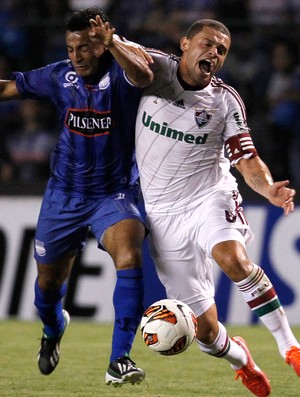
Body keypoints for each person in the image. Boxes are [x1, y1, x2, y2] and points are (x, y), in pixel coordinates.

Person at [134, 19, 300, 397]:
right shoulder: (153, 70)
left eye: (222, 50)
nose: (214, 53)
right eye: (208, 44)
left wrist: (269, 188)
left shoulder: (225, 101)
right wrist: (109, 40)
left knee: (232, 258)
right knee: (205, 333)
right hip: (161, 216)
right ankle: (241, 359)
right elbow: (125, 58)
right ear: (186, 44)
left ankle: (289, 345)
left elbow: (247, 158)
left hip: (208, 196)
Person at [0, 7, 153, 386]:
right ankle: (53, 329)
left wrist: (114, 42)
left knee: (130, 253)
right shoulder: (59, 76)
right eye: (71, 48)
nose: (77, 56)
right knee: (49, 286)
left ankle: (120, 359)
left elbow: (145, 75)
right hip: (63, 196)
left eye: (85, 47)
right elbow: (8, 88)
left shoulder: (123, 73)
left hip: (114, 193)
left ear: (101, 45)